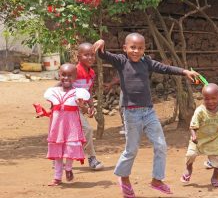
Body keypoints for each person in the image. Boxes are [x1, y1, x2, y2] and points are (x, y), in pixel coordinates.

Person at [93, 32, 199, 197]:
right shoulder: (121, 61)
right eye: (132, 47)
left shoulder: (146, 62)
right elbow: (103, 54)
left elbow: (165, 68)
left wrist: (185, 71)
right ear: (125, 48)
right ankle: (124, 178)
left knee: (161, 145)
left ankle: (157, 180)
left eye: (140, 48)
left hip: (149, 111)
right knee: (132, 149)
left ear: (144, 50)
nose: (136, 51)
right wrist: (100, 43)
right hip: (131, 113)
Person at [42, 63, 89, 186]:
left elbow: (85, 111)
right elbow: (52, 108)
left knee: (70, 149)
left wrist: (82, 105)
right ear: (59, 75)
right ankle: (57, 177)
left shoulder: (79, 93)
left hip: (72, 127)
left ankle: (68, 168)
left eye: (70, 75)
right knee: (58, 152)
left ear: (75, 77)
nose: (66, 78)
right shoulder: (52, 92)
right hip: (57, 127)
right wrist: (44, 112)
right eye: (63, 75)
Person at [180, 83, 218, 187]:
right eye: (206, 99)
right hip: (198, 140)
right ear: (203, 98)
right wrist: (194, 136)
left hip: (214, 141)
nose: (210, 101)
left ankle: (214, 178)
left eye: (213, 98)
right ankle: (188, 168)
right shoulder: (200, 111)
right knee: (190, 155)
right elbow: (192, 126)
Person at [73, 42, 104, 170]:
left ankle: (60, 158)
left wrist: (91, 105)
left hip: (79, 107)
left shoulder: (91, 73)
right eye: (86, 55)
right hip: (69, 108)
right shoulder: (74, 71)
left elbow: (88, 92)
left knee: (74, 134)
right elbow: (60, 85)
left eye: (92, 55)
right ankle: (92, 158)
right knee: (87, 130)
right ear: (78, 57)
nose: (90, 58)